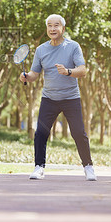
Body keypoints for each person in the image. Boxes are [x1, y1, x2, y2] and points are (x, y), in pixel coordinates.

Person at [19, 14, 96, 181]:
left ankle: (88, 167)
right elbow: (34, 74)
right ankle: (39, 167)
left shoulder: (73, 47)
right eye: (49, 26)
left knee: (78, 133)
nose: (52, 29)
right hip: (49, 98)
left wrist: (68, 71)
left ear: (63, 28)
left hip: (70, 98)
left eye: (56, 25)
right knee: (40, 133)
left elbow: (83, 70)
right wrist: (26, 76)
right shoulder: (41, 50)